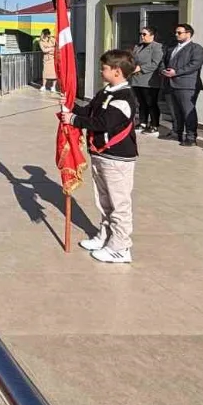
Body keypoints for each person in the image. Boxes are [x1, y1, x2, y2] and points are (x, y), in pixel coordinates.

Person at [61, 49, 139, 264]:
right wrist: (70, 106)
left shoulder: (125, 98)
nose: (100, 71)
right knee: (104, 201)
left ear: (117, 71)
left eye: (104, 68)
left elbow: (104, 123)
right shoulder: (106, 92)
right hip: (100, 155)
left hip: (117, 158)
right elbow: (90, 112)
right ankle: (106, 236)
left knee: (119, 203)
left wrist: (74, 120)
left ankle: (121, 246)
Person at [160, 23, 203, 146]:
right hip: (170, 83)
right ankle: (176, 132)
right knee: (174, 111)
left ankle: (191, 136)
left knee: (187, 111)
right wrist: (163, 70)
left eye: (179, 32)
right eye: (176, 32)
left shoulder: (196, 49)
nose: (176, 35)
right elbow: (163, 62)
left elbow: (194, 65)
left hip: (186, 85)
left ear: (188, 33)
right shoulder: (171, 48)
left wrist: (176, 72)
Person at [130, 27, 164, 134]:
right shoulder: (138, 47)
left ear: (152, 35)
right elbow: (133, 59)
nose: (142, 36)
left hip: (150, 80)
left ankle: (154, 124)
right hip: (136, 79)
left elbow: (155, 63)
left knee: (151, 103)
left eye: (144, 34)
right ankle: (142, 122)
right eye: (141, 34)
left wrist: (141, 68)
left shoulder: (157, 47)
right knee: (141, 102)